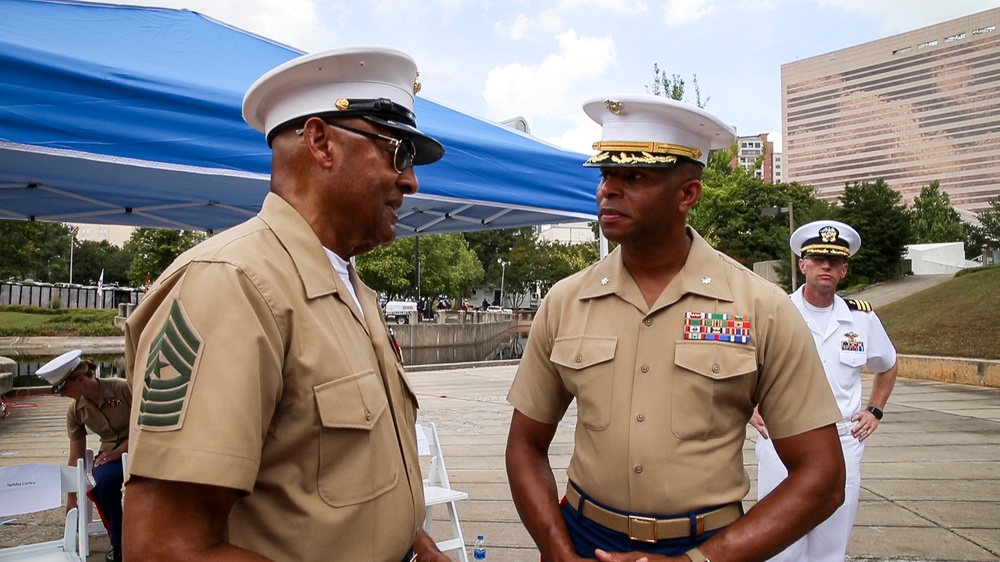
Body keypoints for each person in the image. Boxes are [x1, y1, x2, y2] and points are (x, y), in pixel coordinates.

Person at [122, 47, 451, 562]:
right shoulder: (231, 286)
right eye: (398, 152)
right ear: (320, 142)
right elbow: (166, 548)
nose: (410, 180)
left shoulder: (350, 285)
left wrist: (413, 539)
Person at [505, 94, 847, 562]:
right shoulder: (566, 300)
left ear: (687, 194)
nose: (608, 190)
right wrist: (556, 548)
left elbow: (823, 478)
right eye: (606, 174)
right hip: (582, 540)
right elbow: (525, 442)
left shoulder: (759, 307)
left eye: (635, 176)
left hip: (707, 547)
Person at [751, 220, 898, 562]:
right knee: (778, 541)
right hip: (784, 437)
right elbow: (744, 365)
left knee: (832, 542)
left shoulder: (861, 319)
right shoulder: (776, 311)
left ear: (844, 270)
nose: (826, 266)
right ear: (802, 265)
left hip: (843, 439)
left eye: (834, 261)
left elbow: (887, 364)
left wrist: (874, 410)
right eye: (818, 259)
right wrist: (749, 406)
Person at [37, 349, 130, 562]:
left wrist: (119, 451)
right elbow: (76, 456)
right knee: (102, 485)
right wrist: (72, 497)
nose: (61, 394)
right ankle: (119, 542)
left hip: (141, 449)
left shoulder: (121, 388)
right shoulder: (76, 411)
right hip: (110, 456)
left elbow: (144, 423)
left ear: (80, 379)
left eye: (63, 388)